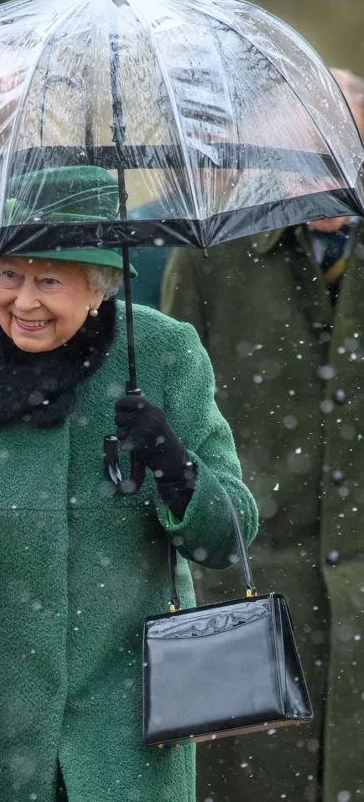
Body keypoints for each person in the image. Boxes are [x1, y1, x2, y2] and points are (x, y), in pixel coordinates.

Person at [0, 166, 258, 802]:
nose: (23, 301)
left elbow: (229, 539)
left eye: (49, 280)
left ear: (101, 285)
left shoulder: (164, 355)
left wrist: (173, 462)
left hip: (129, 721)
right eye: (10, 274)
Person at [161, 69, 364, 802]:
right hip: (240, 595)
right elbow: (178, 436)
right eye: (301, 153)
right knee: (237, 788)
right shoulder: (209, 259)